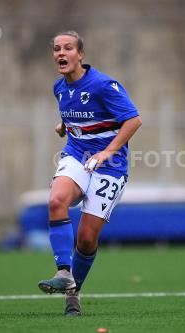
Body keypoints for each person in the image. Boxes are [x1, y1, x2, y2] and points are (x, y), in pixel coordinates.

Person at [38, 30, 142, 316]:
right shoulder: (59, 88)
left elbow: (133, 120)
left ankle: (73, 294)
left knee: (86, 238)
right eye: (57, 48)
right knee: (57, 200)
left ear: (80, 55)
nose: (61, 53)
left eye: (68, 48)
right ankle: (63, 271)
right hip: (76, 156)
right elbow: (74, 112)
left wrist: (107, 152)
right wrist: (64, 127)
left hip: (110, 166)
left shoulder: (104, 85)